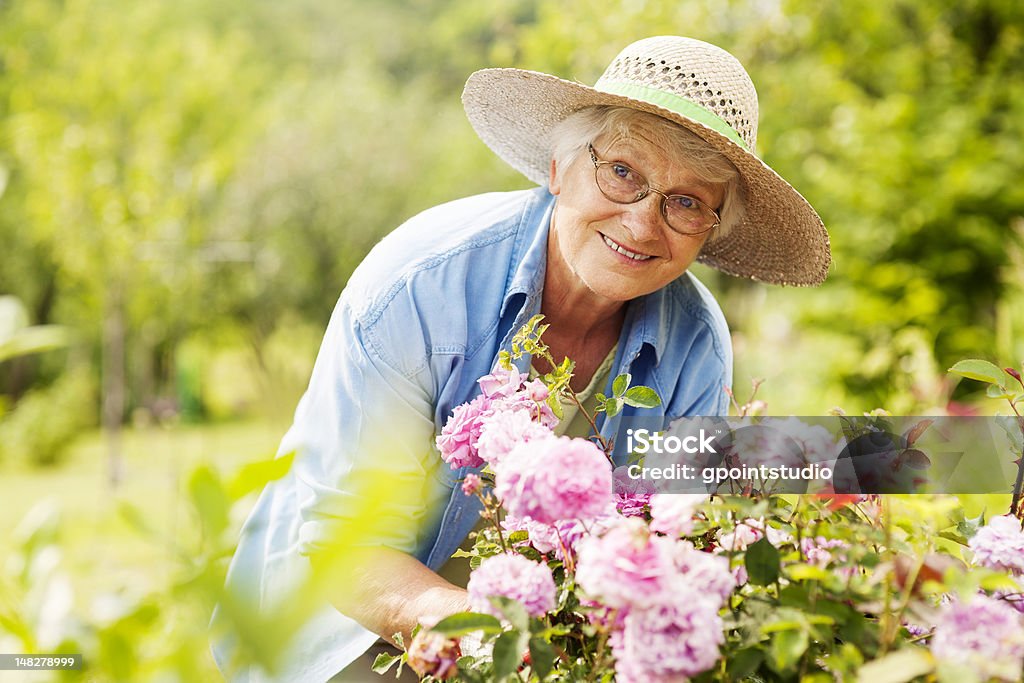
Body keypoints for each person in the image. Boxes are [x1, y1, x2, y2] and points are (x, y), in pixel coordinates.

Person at [211, 35, 830, 682]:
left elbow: (668, 540)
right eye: (623, 172)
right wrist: (490, 639)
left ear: (711, 229)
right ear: (561, 167)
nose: (644, 223)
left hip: (548, 647)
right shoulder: (423, 287)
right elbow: (344, 548)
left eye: (686, 202)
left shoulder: (696, 343)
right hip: (339, 631)